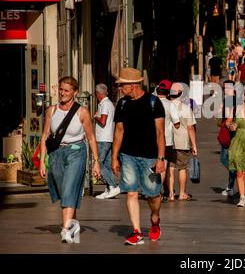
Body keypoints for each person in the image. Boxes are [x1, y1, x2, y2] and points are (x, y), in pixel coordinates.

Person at [39, 76, 101, 243]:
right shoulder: (51, 110)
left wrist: (96, 162)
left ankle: (66, 230)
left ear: (75, 92)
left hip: (76, 152)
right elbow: (45, 135)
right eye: (61, 89)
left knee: (69, 188)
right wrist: (42, 161)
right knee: (63, 190)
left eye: (66, 90)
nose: (62, 93)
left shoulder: (82, 112)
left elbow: (91, 138)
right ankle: (73, 225)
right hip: (56, 154)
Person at [111, 67, 166, 245]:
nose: (120, 88)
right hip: (128, 155)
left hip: (150, 156)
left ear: (133, 85)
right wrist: (114, 157)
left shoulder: (153, 102)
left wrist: (161, 158)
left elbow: (160, 133)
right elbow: (119, 131)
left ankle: (155, 218)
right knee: (131, 192)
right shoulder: (122, 104)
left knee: (153, 194)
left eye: (122, 85)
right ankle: (136, 231)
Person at [169, 82, 198, 201]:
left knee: (170, 168)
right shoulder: (186, 109)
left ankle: (170, 193)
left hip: (168, 141)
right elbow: (191, 128)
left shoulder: (165, 106)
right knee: (182, 168)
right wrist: (194, 145)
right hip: (182, 142)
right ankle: (181, 193)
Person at [93, 83, 120, 199]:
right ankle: (109, 189)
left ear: (97, 94)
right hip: (108, 138)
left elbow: (103, 121)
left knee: (99, 163)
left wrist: (95, 117)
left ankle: (113, 186)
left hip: (103, 138)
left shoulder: (105, 104)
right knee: (107, 165)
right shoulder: (108, 104)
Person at [155, 79, 180, 201]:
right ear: (168, 92)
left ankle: (149, 189)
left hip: (150, 139)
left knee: (150, 164)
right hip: (166, 140)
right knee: (163, 166)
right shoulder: (170, 105)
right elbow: (177, 123)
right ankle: (157, 190)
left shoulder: (150, 102)